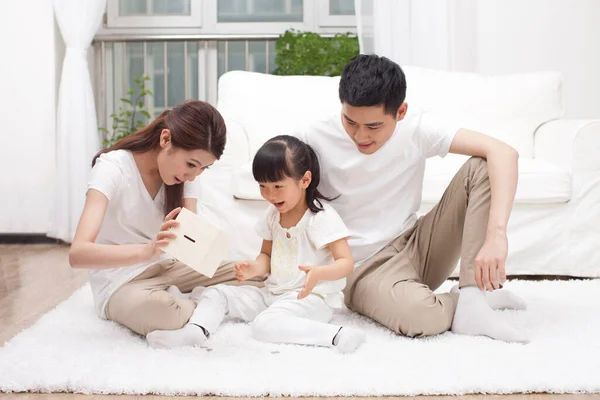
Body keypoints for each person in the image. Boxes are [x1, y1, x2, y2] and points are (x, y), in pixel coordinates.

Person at [300, 54, 528, 343]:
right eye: (350, 121)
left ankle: (471, 297)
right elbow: (278, 182)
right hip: (362, 269)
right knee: (422, 317)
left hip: (417, 245)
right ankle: (468, 304)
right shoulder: (313, 135)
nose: (359, 135)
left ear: (401, 111)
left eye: (373, 126)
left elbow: (504, 153)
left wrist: (497, 235)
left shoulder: (417, 128)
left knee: (481, 166)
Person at [146, 135, 366, 353]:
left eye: (278, 186)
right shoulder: (272, 215)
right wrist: (253, 269)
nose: (269, 195)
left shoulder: (321, 218)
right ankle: (196, 331)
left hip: (309, 299)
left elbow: (346, 263)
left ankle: (339, 335)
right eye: (263, 186)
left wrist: (319, 273)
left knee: (264, 325)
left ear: (305, 181)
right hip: (272, 294)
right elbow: (267, 257)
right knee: (218, 293)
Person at [69, 100, 261, 340]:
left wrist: (209, 249)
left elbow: (189, 243)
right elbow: (77, 254)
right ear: (165, 139)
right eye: (191, 164)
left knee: (256, 273)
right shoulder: (112, 168)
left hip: (169, 267)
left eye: (203, 168)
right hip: (120, 282)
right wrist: (146, 252)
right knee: (166, 314)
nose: (194, 175)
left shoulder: (187, 177)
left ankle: (204, 300)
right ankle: (210, 301)